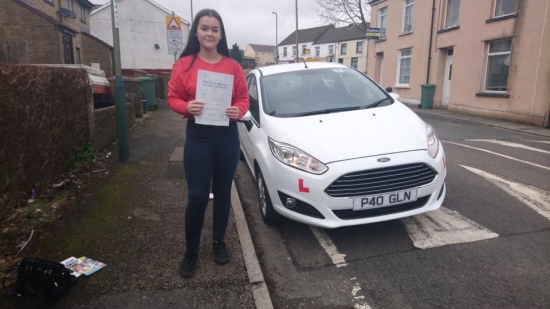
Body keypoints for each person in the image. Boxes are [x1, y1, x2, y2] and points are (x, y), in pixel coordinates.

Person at [166, 8, 249, 278]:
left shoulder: (233, 66)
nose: (209, 33)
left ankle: (218, 242)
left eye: (214, 29)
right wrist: (186, 106)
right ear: (197, 32)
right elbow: (172, 98)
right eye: (204, 28)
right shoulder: (185, 65)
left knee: (223, 194)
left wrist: (239, 110)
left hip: (226, 137)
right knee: (198, 196)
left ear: (221, 34)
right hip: (198, 137)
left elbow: (243, 100)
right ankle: (191, 250)